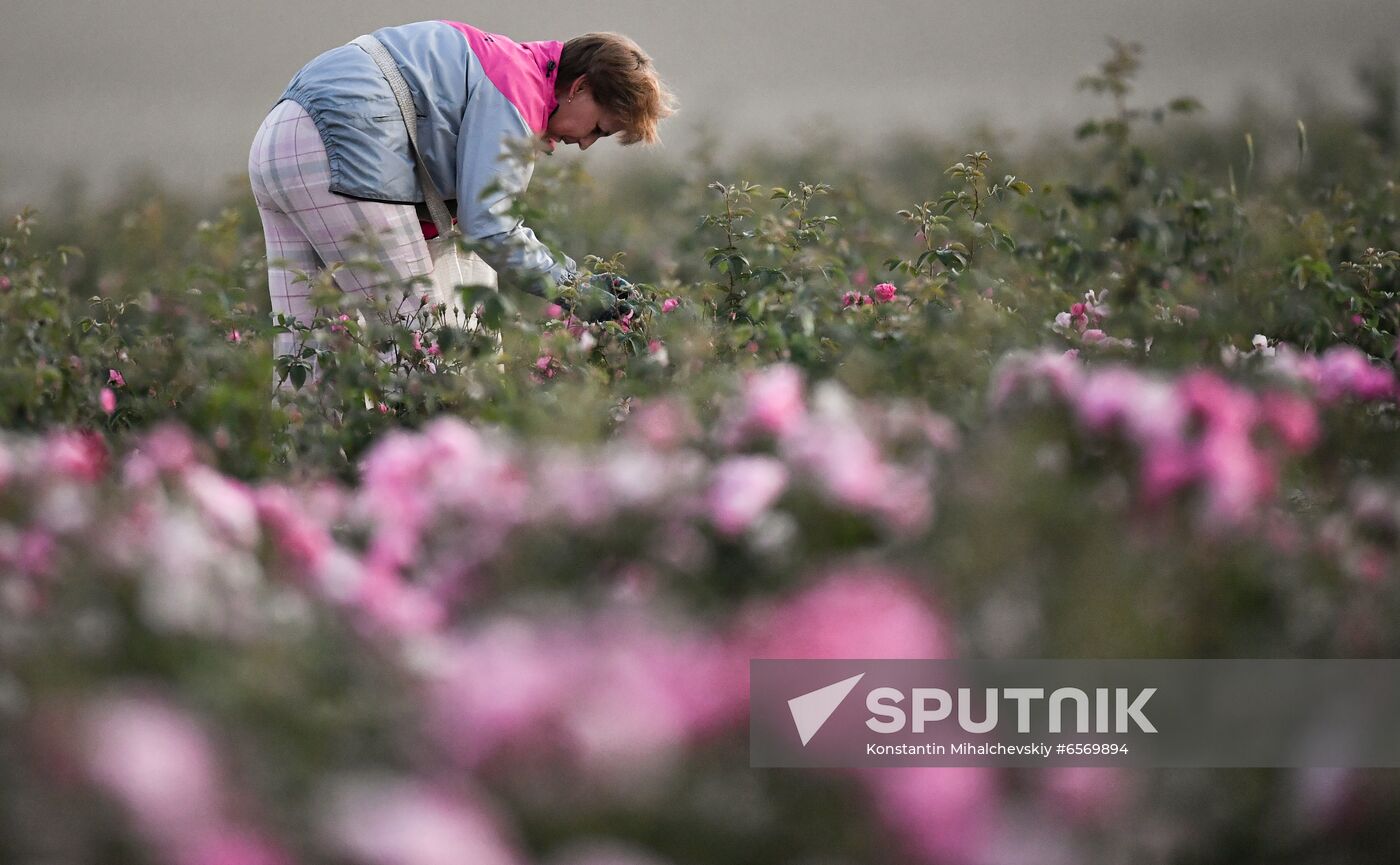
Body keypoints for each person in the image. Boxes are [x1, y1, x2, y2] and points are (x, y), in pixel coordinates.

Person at [247, 20, 675, 365]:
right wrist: (576, 290)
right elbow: (489, 226)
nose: (585, 144)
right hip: (344, 145)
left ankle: (296, 470)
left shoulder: (497, 60)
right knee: (425, 350)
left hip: (280, 136)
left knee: (306, 351)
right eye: (598, 128)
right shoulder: (518, 88)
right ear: (579, 87)